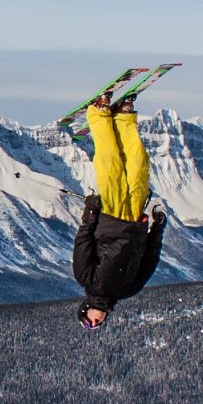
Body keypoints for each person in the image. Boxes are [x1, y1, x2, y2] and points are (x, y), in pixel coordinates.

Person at [72, 91, 167, 329]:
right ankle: (124, 118)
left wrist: (91, 213)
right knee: (138, 165)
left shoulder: (87, 280)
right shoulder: (128, 290)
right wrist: (157, 229)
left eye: (90, 321)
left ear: (85, 310)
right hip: (135, 221)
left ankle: (99, 113)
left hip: (110, 218)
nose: (96, 321)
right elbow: (149, 259)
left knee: (110, 165)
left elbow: (83, 242)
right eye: (98, 324)